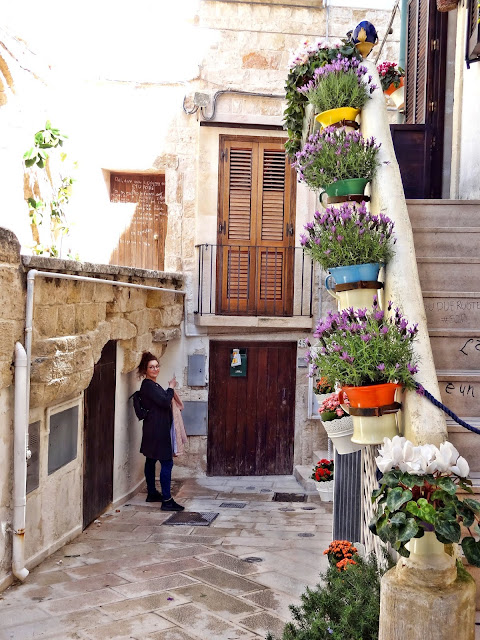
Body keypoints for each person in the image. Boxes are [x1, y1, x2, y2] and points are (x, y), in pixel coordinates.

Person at [137, 351, 184, 511]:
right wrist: (171, 387)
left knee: (150, 460)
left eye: (157, 366)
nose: (155, 369)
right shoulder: (148, 386)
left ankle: (152, 493)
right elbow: (164, 402)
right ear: (145, 370)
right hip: (158, 431)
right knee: (167, 462)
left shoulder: (151, 385)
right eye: (151, 367)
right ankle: (167, 500)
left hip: (153, 429)